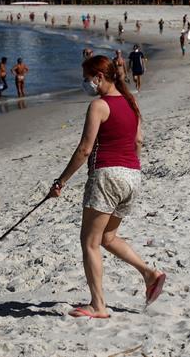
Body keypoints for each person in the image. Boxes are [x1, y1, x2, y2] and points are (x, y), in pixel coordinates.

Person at [47, 55, 165, 319]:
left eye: (87, 78)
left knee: (89, 242)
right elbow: (138, 142)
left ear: (99, 77)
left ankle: (98, 305)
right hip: (132, 176)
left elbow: (85, 149)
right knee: (107, 238)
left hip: (108, 176)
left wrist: (61, 181)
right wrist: (128, 169)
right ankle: (149, 273)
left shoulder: (99, 105)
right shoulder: (131, 102)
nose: (85, 83)